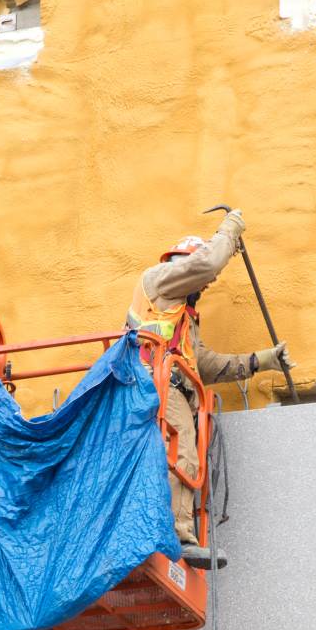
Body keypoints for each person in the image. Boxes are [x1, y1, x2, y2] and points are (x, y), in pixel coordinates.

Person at [126, 209, 293, 569]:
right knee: (182, 451)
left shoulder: (179, 316)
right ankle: (176, 534)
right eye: (197, 280)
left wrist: (260, 361)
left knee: (184, 454)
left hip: (168, 386)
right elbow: (207, 264)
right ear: (181, 263)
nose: (202, 288)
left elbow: (203, 364)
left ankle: (173, 528)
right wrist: (230, 230)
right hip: (155, 383)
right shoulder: (158, 280)